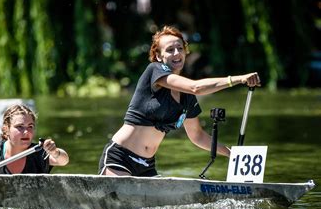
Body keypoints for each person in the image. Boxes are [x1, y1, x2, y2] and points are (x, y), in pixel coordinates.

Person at [98, 25, 261, 177]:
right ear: (158, 56)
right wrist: (238, 79)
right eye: (170, 50)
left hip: (147, 165)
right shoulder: (154, 71)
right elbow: (196, 87)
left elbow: (197, 135)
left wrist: (230, 153)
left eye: (180, 48)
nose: (176, 53)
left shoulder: (187, 97)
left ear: (185, 52)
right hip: (120, 159)